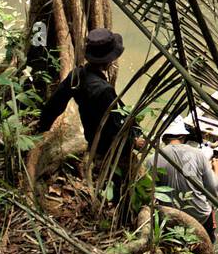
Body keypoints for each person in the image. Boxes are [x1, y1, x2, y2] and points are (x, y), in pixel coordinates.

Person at [35, 29, 140, 194]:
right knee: (123, 189)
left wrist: (42, 127)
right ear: (108, 61)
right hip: (109, 152)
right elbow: (114, 128)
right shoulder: (104, 90)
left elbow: (54, 105)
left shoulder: (77, 75)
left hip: (93, 140)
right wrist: (134, 141)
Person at [151, 117, 218, 243]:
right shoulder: (199, 154)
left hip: (173, 221)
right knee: (207, 247)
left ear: (163, 138)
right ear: (183, 137)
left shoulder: (152, 159)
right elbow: (214, 190)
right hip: (201, 217)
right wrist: (216, 169)